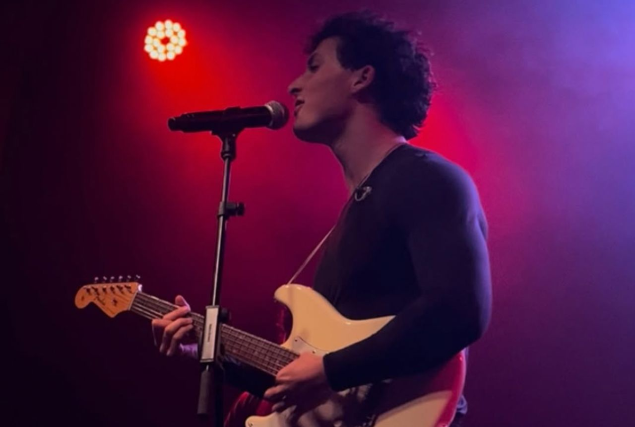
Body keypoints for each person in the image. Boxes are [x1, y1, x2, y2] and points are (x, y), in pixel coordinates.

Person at [151, 10, 492, 427]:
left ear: (361, 78)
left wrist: (331, 369)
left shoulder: (428, 178)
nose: (294, 85)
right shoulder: (354, 213)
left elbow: (459, 309)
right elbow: (310, 386)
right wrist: (204, 350)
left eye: (314, 67)